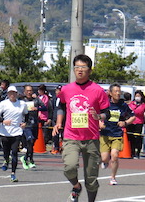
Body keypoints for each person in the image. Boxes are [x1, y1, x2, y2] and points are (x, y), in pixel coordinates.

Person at [52, 55, 109, 202]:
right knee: (69, 167)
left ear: (89, 70)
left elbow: (107, 112)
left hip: (91, 138)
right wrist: (59, 122)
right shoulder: (67, 89)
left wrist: (99, 117)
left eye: (83, 68)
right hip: (71, 136)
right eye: (77, 67)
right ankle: (76, 186)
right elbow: (61, 107)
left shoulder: (98, 90)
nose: (79, 70)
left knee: (91, 178)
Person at [99, 83, 135, 185]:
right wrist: (99, 123)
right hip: (105, 133)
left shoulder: (123, 105)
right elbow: (96, 115)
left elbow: (133, 116)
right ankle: (105, 162)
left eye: (119, 91)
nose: (118, 93)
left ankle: (113, 177)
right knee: (104, 158)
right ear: (110, 93)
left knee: (114, 156)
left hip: (117, 134)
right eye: (115, 91)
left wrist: (125, 123)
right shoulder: (104, 104)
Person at [0, 85, 26, 183]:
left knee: (15, 152)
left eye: (14, 93)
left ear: (17, 94)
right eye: (10, 93)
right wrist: (3, 121)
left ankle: (13, 174)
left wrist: (25, 123)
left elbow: (27, 114)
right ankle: (6, 160)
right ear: (8, 94)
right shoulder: (4, 103)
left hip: (17, 131)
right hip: (5, 131)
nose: (12, 95)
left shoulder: (22, 104)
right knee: (6, 151)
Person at [21, 84, 46, 169]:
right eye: (27, 91)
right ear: (24, 92)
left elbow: (45, 107)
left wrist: (37, 108)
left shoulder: (36, 100)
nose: (29, 92)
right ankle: (31, 160)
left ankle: (25, 158)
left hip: (34, 123)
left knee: (32, 143)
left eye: (30, 90)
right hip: (26, 124)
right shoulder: (21, 100)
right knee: (30, 140)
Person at [127, 90, 145, 158]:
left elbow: (140, 112)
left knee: (138, 138)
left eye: (139, 96)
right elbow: (129, 111)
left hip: (139, 122)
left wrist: (135, 111)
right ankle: (132, 152)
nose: (137, 97)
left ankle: (138, 152)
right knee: (131, 138)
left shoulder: (144, 105)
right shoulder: (131, 103)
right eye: (136, 96)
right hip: (131, 122)